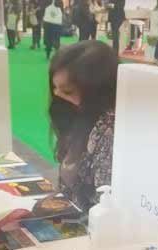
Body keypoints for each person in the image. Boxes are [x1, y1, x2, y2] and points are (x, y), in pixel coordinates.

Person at [49, 41, 118, 212]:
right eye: (54, 88)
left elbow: (103, 202)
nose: (57, 95)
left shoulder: (111, 130)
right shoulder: (75, 114)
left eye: (67, 91)